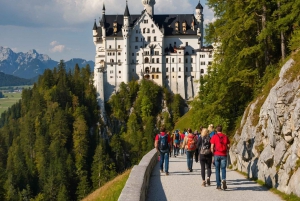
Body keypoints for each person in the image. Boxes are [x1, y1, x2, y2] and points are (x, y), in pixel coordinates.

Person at [210, 125, 230, 190]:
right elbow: (228, 145)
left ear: (216, 130)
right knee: (223, 168)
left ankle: (218, 185)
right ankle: (223, 179)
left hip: (216, 154)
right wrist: (227, 150)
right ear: (222, 129)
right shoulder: (225, 136)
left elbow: (212, 146)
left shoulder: (214, 137)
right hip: (224, 154)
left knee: (217, 169)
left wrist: (213, 153)